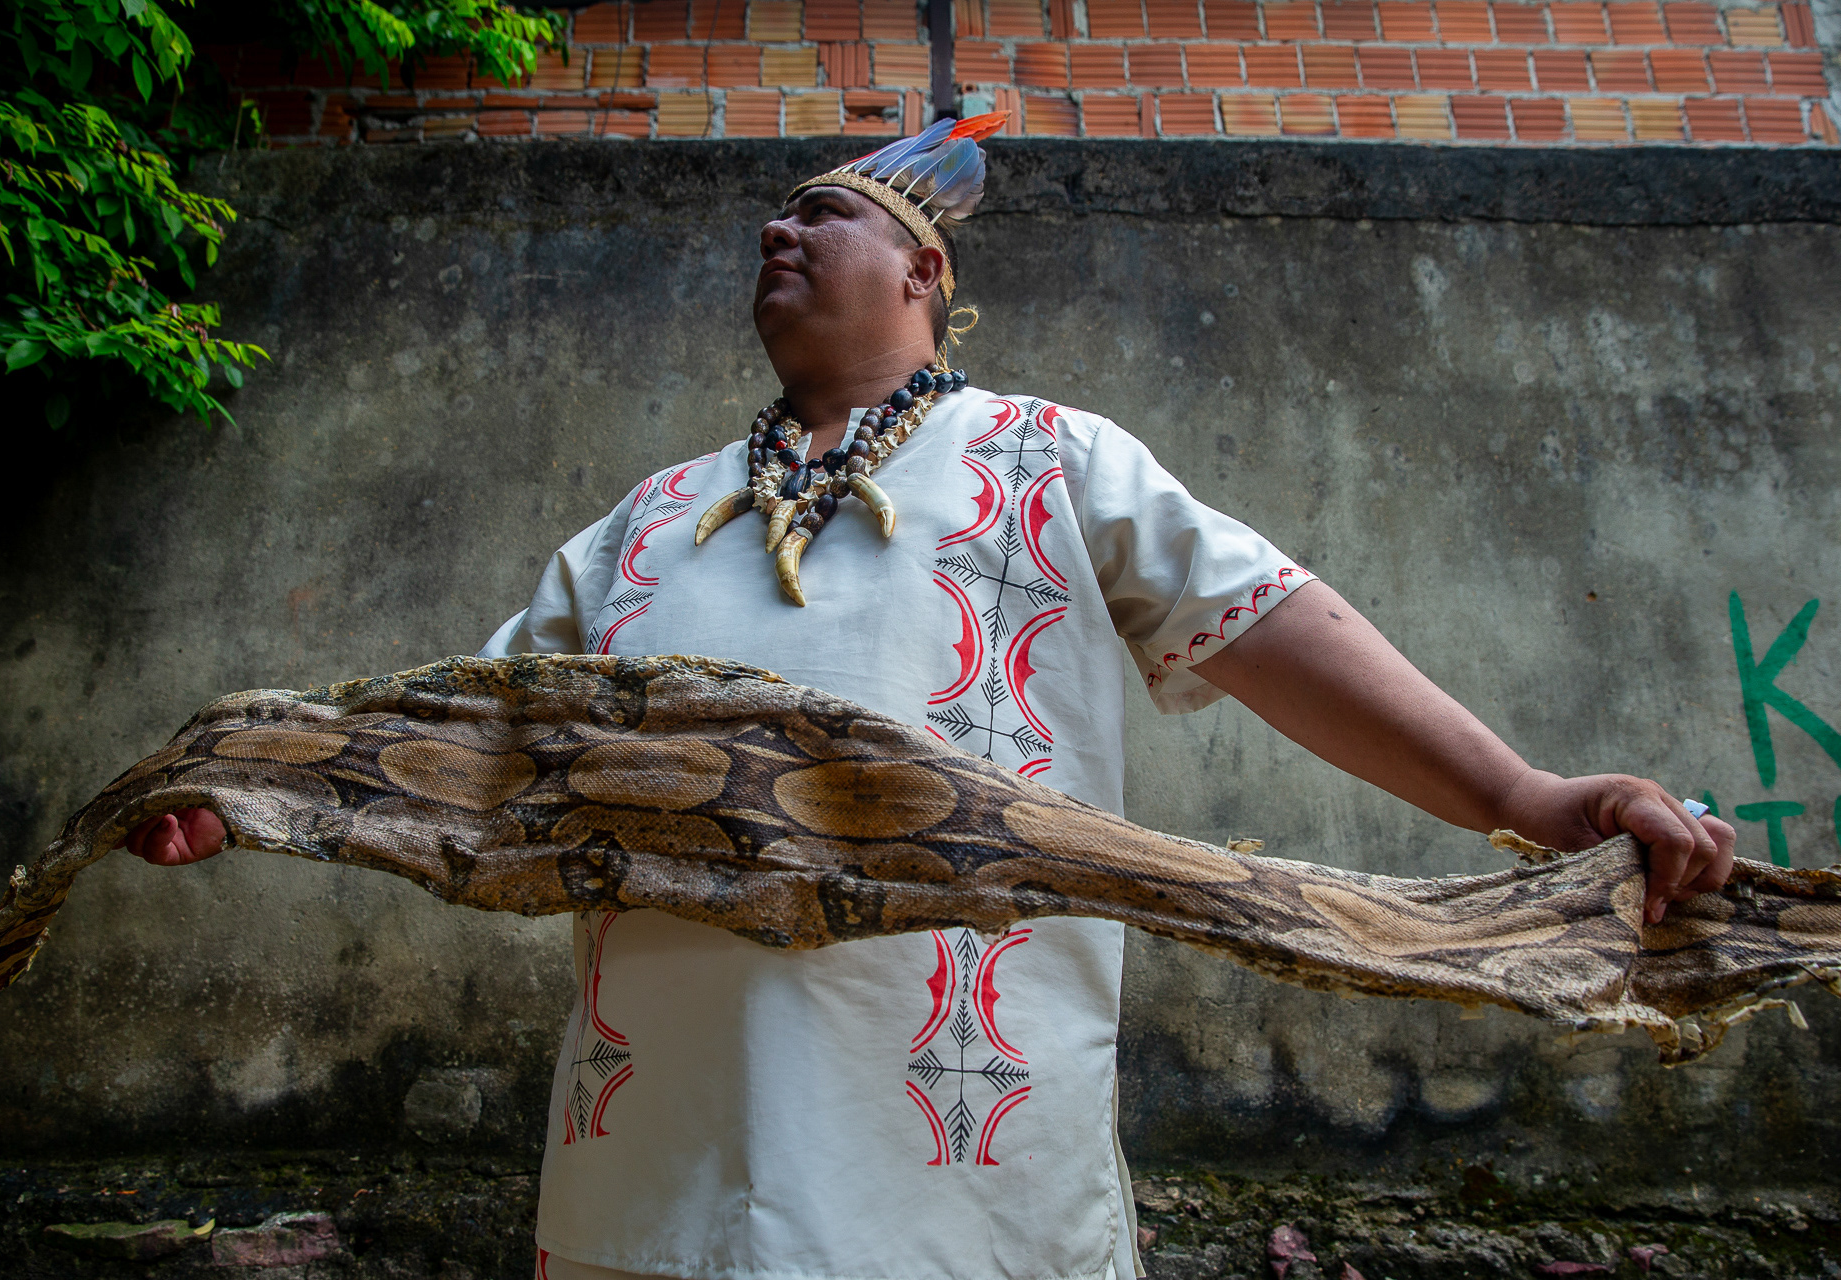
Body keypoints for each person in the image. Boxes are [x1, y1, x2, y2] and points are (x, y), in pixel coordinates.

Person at [125, 116, 1735, 1280]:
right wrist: (251, 796)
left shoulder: (1054, 457)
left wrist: (1521, 798)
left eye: (820, 216)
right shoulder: (645, 519)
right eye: (768, 222)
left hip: (965, 1146)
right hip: (652, 1139)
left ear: (924, 269)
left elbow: (1268, 622)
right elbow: (452, 744)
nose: (778, 233)